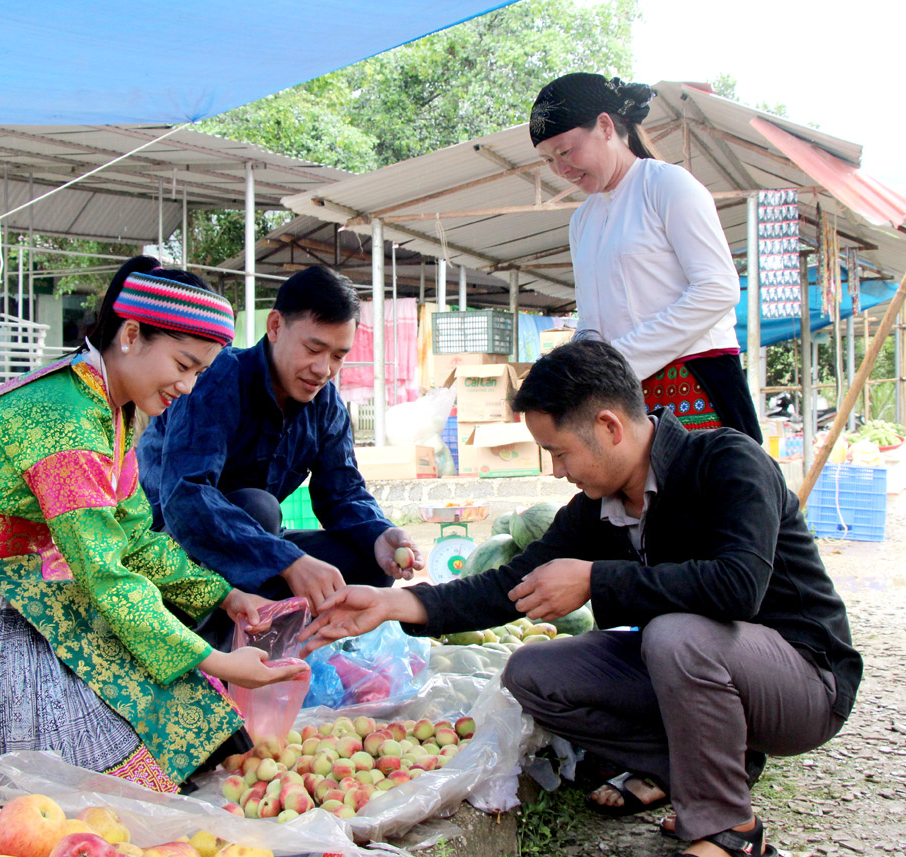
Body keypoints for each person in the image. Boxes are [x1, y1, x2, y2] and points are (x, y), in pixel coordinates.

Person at [301, 341, 861, 857]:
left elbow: (737, 586)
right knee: (533, 672)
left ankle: (729, 829)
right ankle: (698, 771)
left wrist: (596, 579)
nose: (557, 471)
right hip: (707, 669)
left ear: (609, 426)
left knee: (674, 634)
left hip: (805, 681)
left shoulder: (727, 462)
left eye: (560, 452)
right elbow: (510, 583)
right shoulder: (600, 506)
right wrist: (394, 605)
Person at [0, 256, 307, 792]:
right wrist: (221, 662)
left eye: (200, 372)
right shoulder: (64, 418)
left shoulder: (110, 409)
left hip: (10, 581)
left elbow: (132, 537)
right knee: (80, 772)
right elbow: (104, 572)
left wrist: (226, 598)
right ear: (132, 334)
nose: (188, 386)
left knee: (158, 698)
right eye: (183, 365)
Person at [137, 265, 422, 618]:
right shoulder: (218, 377)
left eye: (337, 356)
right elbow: (186, 497)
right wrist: (287, 560)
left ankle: (286, 630)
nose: (324, 369)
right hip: (170, 549)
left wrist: (380, 533)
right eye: (313, 349)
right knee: (259, 507)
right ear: (275, 327)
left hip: (259, 550)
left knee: (370, 560)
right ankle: (223, 642)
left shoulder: (326, 403)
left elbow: (342, 492)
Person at [530, 73, 761, 442]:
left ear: (605, 126)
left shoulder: (668, 185)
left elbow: (718, 288)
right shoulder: (582, 221)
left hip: (694, 381)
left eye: (565, 151)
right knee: (637, 499)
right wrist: (574, 368)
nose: (561, 170)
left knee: (709, 492)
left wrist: (619, 359)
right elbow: (592, 320)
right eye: (548, 160)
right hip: (622, 393)